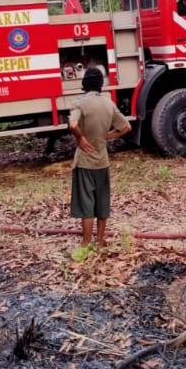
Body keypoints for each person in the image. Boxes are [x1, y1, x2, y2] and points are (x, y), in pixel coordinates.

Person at [68, 66, 131, 249]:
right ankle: (101, 240)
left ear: (85, 83)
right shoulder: (108, 103)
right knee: (102, 202)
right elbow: (126, 127)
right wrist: (108, 136)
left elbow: (73, 124)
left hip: (85, 161)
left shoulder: (79, 103)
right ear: (101, 84)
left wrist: (80, 138)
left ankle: (87, 243)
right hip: (102, 161)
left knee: (86, 204)